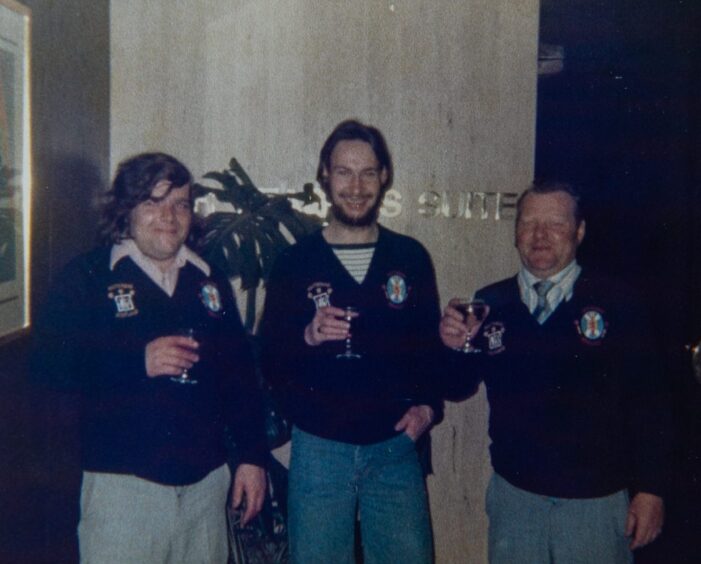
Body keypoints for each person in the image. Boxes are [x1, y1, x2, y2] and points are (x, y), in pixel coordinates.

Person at [31, 152, 268, 563]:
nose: (169, 216)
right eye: (152, 202)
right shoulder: (87, 277)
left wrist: (251, 456)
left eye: (180, 203)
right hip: (123, 494)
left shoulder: (207, 280)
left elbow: (240, 379)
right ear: (126, 210)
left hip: (205, 491)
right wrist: (135, 363)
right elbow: (49, 371)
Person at [439, 180, 672, 563]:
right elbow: (457, 386)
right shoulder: (491, 303)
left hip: (595, 507)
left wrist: (652, 490)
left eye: (556, 224)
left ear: (579, 232)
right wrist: (451, 347)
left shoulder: (618, 302)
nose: (540, 235)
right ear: (516, 234)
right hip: (516, 503)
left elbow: (652, 403)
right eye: (529, 223)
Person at [261, 119, 442, 563]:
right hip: (320, 448)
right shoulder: (295, 261)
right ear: (325, 174)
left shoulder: (410, 257)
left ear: (384, 177)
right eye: (344, 172)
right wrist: (307, 334)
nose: (356, 186)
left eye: (367, 172)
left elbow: (429, 351)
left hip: (395, 447)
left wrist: (429, 407)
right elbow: (268, 355)